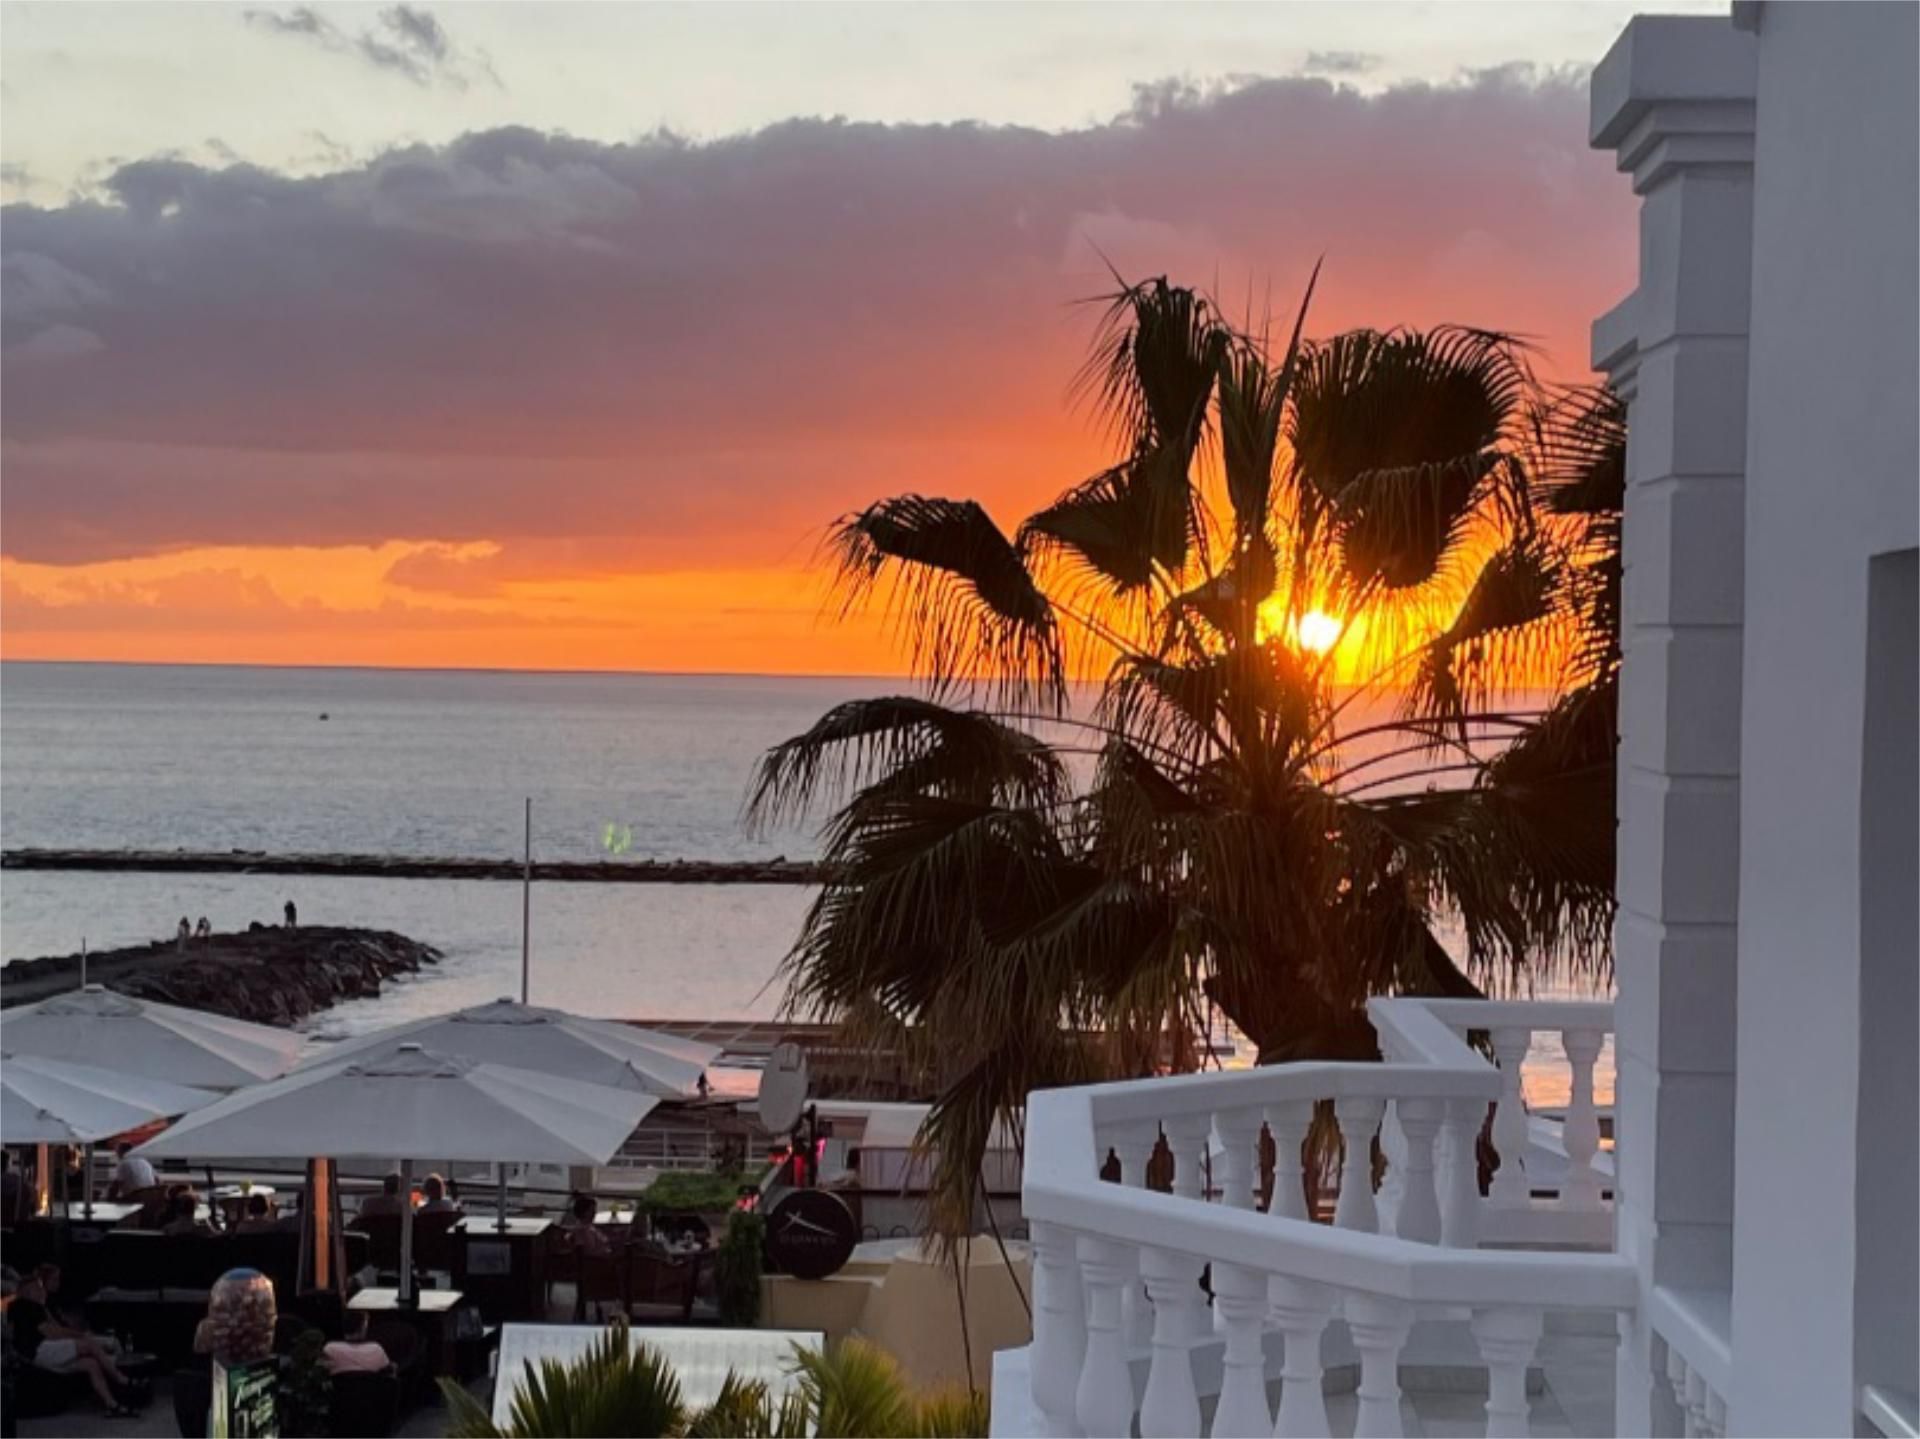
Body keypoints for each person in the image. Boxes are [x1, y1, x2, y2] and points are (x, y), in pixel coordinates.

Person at [11, 1265, 138, 1417]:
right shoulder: (24, 1306)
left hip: (44, 1351)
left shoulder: (36, 1306)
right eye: (36, 1289)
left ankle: (112, 1405)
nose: (40, 1291)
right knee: (89, 1344)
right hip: (39, 1349)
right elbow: (51, 1333)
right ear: (27, 1291)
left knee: (91, 1364)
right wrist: (80, 1335)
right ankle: (120, 1378)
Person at [322, 1314, 390, 1376]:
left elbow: (321, 1372)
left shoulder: (330, 1348)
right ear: (363, 1327)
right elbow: (387, 1372)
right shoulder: (376, 1348)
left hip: (340, 1389)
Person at [557, 1192, 609, 1257]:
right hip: (599, 1261)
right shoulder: (583, 1231)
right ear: (585, 1212)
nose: (594, 1213)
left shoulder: (585, 1226)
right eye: (592, 1210)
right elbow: (590, 1252)